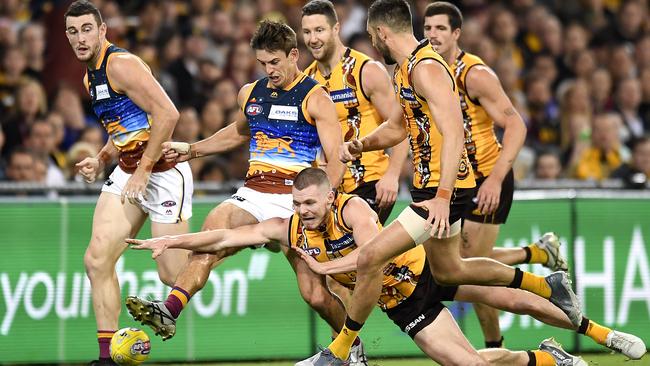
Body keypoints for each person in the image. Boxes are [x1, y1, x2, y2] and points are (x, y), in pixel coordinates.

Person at [126, 167, 647, 365]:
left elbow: (371, 258)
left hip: (425, 274)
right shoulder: (290, 227)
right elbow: (226, 234)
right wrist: (171, 242)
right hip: (405, 305)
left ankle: (600, 334)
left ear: (328, 197)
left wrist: (330, 271)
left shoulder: (352, 209)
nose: (304, 213)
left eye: (311, 205)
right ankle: (550, 360)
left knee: (511, 298)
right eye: (298, 206)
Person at [316, 1, 582, 363]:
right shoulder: (405, 69)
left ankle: (342, 351)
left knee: (372, 256)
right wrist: (363, 143)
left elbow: (455, 130)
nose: (372, 42)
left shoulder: (426, 68)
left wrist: (442, 197)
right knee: (450, 269)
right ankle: (544, 285)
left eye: (371, 36)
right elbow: (397, 126)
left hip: (445, 191)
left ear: (380, 33)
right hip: (432, 188)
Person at [123, 19, 369, 364]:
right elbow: (239, 132)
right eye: (262, 63)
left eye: (275, 62)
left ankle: (350, 346)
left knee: (313, 294)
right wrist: (192, 149)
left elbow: (335, 158)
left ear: (293, 55)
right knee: (212, 233)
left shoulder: (316, 97)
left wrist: (320, 205)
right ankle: (170, 309)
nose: (269, 70)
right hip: (254, 193)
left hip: (294, 200)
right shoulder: (250, 93)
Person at [422, 2, 567, 348]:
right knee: (456, 264)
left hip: (486, 177)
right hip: (454, 182)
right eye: (427, 28)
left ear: (456, 33)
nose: (433, 35)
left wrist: (496, 178)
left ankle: (494, 348)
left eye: (441, 28)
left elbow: (516, 122)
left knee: (470, 268)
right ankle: (536, 252)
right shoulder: (423, 71)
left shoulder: (473, 74)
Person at [64, 2, 194, 365]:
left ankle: (224, 243)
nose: (80, 38)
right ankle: (107, 359)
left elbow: (168, 114)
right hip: (128, 169)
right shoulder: (90, 78)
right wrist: (102, 158)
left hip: (164, 170)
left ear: (103, 30)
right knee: (96, 259)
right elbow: (122, 128)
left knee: (172, 274)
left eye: (87, 29)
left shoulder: (121, 65)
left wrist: (144, 170)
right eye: (73, 31)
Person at [302, 0, 409, 225]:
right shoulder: (306, 82)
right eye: (307, 32)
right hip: (330, 189)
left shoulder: (366, 71)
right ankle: (416, 260)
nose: (313, 39)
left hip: (370, 183)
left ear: (336, 29)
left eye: (319, 30)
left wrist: (392, 175)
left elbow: (401, 125)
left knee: (356, 250)